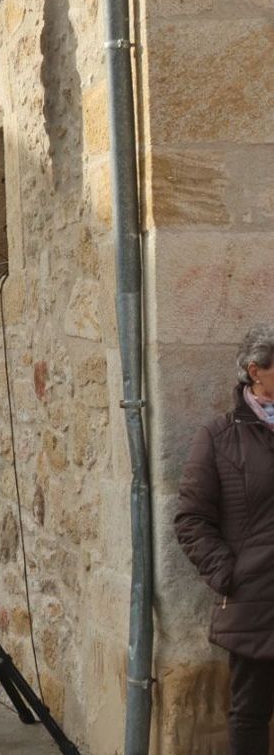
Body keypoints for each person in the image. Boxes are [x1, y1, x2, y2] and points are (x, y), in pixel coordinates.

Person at [176, 323, 274, 753]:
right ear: (256, 371)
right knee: (250, 713)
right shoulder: (218, 436)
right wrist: (230, 574)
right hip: (255, 600)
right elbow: (191, 519)